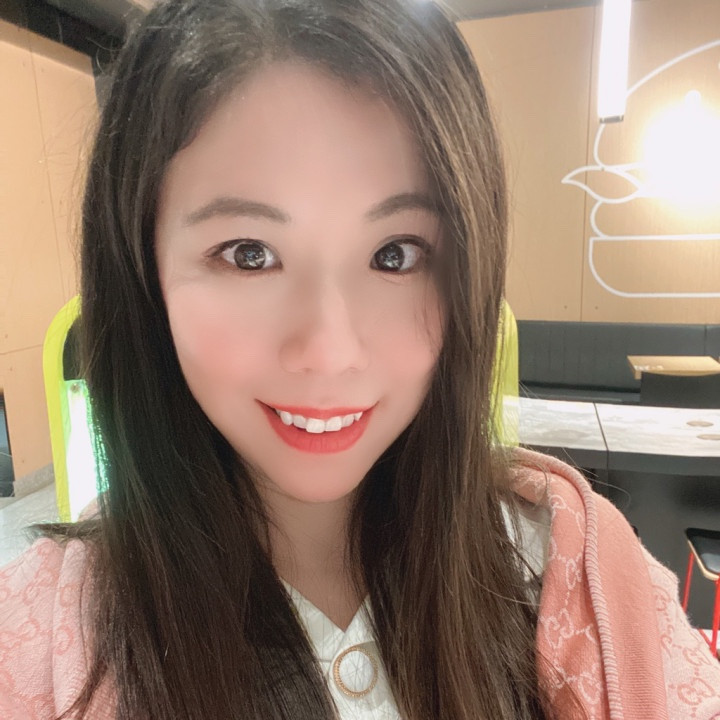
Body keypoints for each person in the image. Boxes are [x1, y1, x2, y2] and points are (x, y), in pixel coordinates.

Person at [1, 1, 719, 718]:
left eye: (395, 255)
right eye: (249, 254)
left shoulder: (574, 574)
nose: (329, 352)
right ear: (143, 270)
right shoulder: (49, 632)